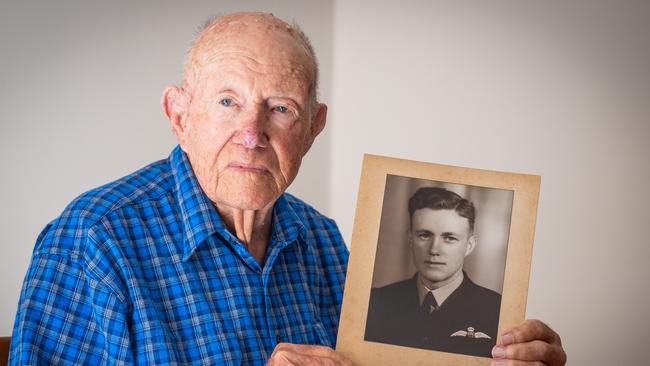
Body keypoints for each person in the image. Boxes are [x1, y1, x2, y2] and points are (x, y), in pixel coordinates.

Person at [10, 12, 566, 366]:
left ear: (313, 126)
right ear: (178, 114)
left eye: (280, 108)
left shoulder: (322, 241)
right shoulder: (93, 239)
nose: (251, 134)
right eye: (227, 102)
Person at [365, 187, 500, 357]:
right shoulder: (374, 303)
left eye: (449, 238)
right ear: (410, 239)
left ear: (470, 245)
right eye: (424, 235)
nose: (434, 249)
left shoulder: (497, 311)